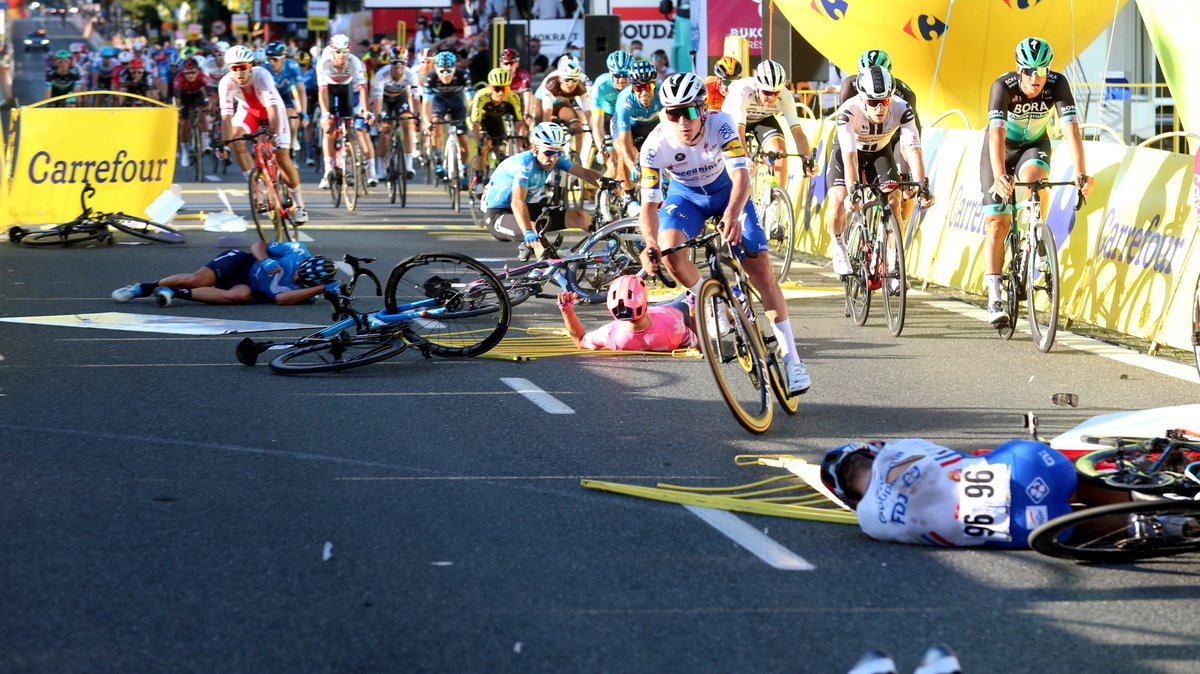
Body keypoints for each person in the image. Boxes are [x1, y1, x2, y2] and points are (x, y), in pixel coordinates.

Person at [636, 72, 811, 395]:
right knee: (669, 251)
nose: (683, 121)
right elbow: (649, 206)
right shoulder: (654, 145)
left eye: (689, 112)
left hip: (728, 192)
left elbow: (741, 177)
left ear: (703, 110)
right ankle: (712, 301)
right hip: (686, 197)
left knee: (760, 271)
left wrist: (731, 215)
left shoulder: (723, 124)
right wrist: (649, 243)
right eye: (673, 113)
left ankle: (792, 361)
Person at [818, 436, 1129, 550]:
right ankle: (1144, 496)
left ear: (851, 497)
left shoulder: (868, 522)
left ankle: (1150, 523)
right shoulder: (898, 448)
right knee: (1065, 477)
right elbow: (947, 456)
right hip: (1029, 469)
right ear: (869, 451)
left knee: (1067, 525)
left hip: (1024, 528)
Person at [981, 36, 1094, 325]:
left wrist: (1081, 173)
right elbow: (995, 136)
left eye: (1041, 71)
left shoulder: (1057, 84)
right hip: (1000, 150)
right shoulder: (1002, 87)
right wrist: (999, 176)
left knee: (1035, 179)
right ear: (1018, 70)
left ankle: (1038, 234)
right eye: (1029, 71)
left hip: (1034, 145)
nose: (1036, 78)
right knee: (997, 222)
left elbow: (1072, 131)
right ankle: (994, 296)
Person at [825, 66, 932, 277]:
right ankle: (838, 246)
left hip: (879, 153)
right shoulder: (848, 112)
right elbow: (849, 158)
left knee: (894, 200)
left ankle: (894, 266)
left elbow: (913, 149)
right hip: (850, 153)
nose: (880, 108)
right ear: (863, 98)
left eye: (885, 101)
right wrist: (853, 189)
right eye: (874, 102)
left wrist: (922, 186)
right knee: (839, 199)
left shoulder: (902, 107)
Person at [482, 121, 605, 258]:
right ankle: (545, 271)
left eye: (558, 153)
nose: (553, 158)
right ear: (534, 148)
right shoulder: (524, 165)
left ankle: (615, 246)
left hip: (522, 209)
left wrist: (607, 183)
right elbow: (517, 201)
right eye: (548, 153)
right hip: (497, 215)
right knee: (534, 229)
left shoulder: (553, 158)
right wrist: (527, 230)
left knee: (579, 217)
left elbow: (584, 173)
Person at [217, 45, 308, 224]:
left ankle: (299, 205)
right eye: (233, 69)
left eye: (242, 68)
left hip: (272, 111)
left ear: (250, 66)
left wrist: (272, 133)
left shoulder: (262, 75)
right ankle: (257, 188)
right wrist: (224, 144)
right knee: (236, 140)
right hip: (248, 112)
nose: (239, 73)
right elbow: (226, 117)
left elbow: (273, 109)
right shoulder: (226, 83)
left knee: (281, 157)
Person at [110, 242, 337, 307]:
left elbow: (281, 299)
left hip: (248, 286)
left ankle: (175, 293)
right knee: (197, 279)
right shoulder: (295, 250)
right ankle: (144, 287)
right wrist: (265, 259)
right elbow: (259, 243)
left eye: (301, 281)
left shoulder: (309, 291)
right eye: (298, 274)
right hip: (241, 262)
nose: (296, 280)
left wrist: (322, 289)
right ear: (303, 262)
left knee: (240, 296)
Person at [840, 49, 923, 224]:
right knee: (853, 185)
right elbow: (847, 138)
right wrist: (853, 187)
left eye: (884, 100)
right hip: (858, 136)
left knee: (899, 194)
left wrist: (908, 175)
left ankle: (896, 237)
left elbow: (909, 143)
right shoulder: (850, 86)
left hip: (891, 135)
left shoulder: (904, 96)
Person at [720, 59, 816, 194]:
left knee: (780, 153)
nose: (771, 98)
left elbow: (798, 134)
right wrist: (744, 157)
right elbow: (738, 130)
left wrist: (807, 161)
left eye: (776, 93)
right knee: (737, 163)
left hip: (761, 119)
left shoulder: (785, 96)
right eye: (767, 92)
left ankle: (777, 202)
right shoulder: (742, 92)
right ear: (757, 86)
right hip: (732, 121)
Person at [557, 275, 696, 351]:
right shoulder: (672, 327)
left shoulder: (610, 335)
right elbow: (699, 344)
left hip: (660, 313)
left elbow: (580, 341)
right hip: (674, 311)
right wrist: (693, 307)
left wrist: (566, 310)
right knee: (695, 290)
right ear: (644, 302)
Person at [316, 34, 377, 189]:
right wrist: (325, 113)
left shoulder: (355, 62)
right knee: (329, 130)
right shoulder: (324, 62)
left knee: (349, 127)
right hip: (329, 89)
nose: (342, 55)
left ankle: (348, 169)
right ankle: (328, 170)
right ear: (332, 51)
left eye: (345, 51)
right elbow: (322, 91)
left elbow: (363, 88)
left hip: (346, 89)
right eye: (338, 52)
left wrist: (365, 109)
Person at [470, 67, 525, 189]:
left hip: (496, 121)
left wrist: (522, 144)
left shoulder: (513, 97)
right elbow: (475, 124)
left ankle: (499, 179)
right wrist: (479, 143)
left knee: (501, 151)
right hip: (479, 121)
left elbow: (519, 123)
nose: (501, 93)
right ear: (490, 87)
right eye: (497, 88)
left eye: (504, 88)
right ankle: (479, 178)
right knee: (484, 146)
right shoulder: (481, 96)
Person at [371, 45, 420, 180]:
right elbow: (378, 99)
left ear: (406, 63)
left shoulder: (411, 74)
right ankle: (381, 167)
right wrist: (378, 117)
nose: (398, 66)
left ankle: (408, 165)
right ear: (390, 63)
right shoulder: (382, 74)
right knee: (385, 131)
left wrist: (417, 116)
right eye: (394, 63)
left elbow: (416, 98)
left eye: (402, 63)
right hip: (385, 100)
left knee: (407, 123)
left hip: (400, 97)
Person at [613, 59, 661, 192]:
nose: (644, 93)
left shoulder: (662, 92)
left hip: (652, 124)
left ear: (655, 85)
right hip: (630, 126)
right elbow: (624, 141)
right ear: (632, 87)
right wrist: (633, 167)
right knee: (624, 152)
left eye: (648, 87)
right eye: (638, 88)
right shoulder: (625, 99)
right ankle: (630, 196)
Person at [424, 50, 472, 184]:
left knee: (463, 138)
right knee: (435, 126)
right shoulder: (431, 76)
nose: (445, 75)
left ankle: (465, 169)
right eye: (442, 71)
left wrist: (472, 116)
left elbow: (471, 101)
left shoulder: (463, 74)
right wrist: (427, 122)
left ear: (454, 69)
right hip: (439, 102)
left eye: (449, 71)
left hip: (457, 103)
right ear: (436, 69)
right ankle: (438, 159)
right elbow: (426, 105)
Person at [589, 50, 633, 181]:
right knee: (613, 164)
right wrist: (601, 148)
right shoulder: (601, 86)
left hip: (628, 118)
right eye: (618, 75)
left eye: (626, 75)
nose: (622, 80)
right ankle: (602, 195)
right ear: (610, 73)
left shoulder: (636, 82)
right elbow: (597, 124)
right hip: (607, 119)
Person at [531, 56, 589, 152]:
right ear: (560, 77)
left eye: (574, 80)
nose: (571, 84)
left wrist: (593, 130)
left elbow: (588, 111)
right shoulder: (550, 82)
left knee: (577, 127)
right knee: (542, 127)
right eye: (567, 80)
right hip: (543, 102)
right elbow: (546, 112)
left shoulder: (582, 81)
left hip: (562, 103)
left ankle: (577, 158)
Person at [264, 41, 307, 159]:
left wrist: (303, 111)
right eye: (269, 59)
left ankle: (292, 146)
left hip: (284, 95)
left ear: (283, 58)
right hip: (269, 97)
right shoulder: (265, 69)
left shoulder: (292, 66)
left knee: (292, 118)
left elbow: (300, 90)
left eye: (275, 59)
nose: (271, 63)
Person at [172, 57, 211, 167]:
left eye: (193, 72)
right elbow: (178, 99)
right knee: (185, 124)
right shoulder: (178, 79)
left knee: (202, 114)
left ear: (197, 70)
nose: (190, 75)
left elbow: (209, 94)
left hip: (196, 95)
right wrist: (179, 112)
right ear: (183, 72)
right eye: (187, 73)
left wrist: (209, 106)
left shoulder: (203, 77)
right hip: (183, 97)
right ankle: (185, 151)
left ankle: (205, 143)